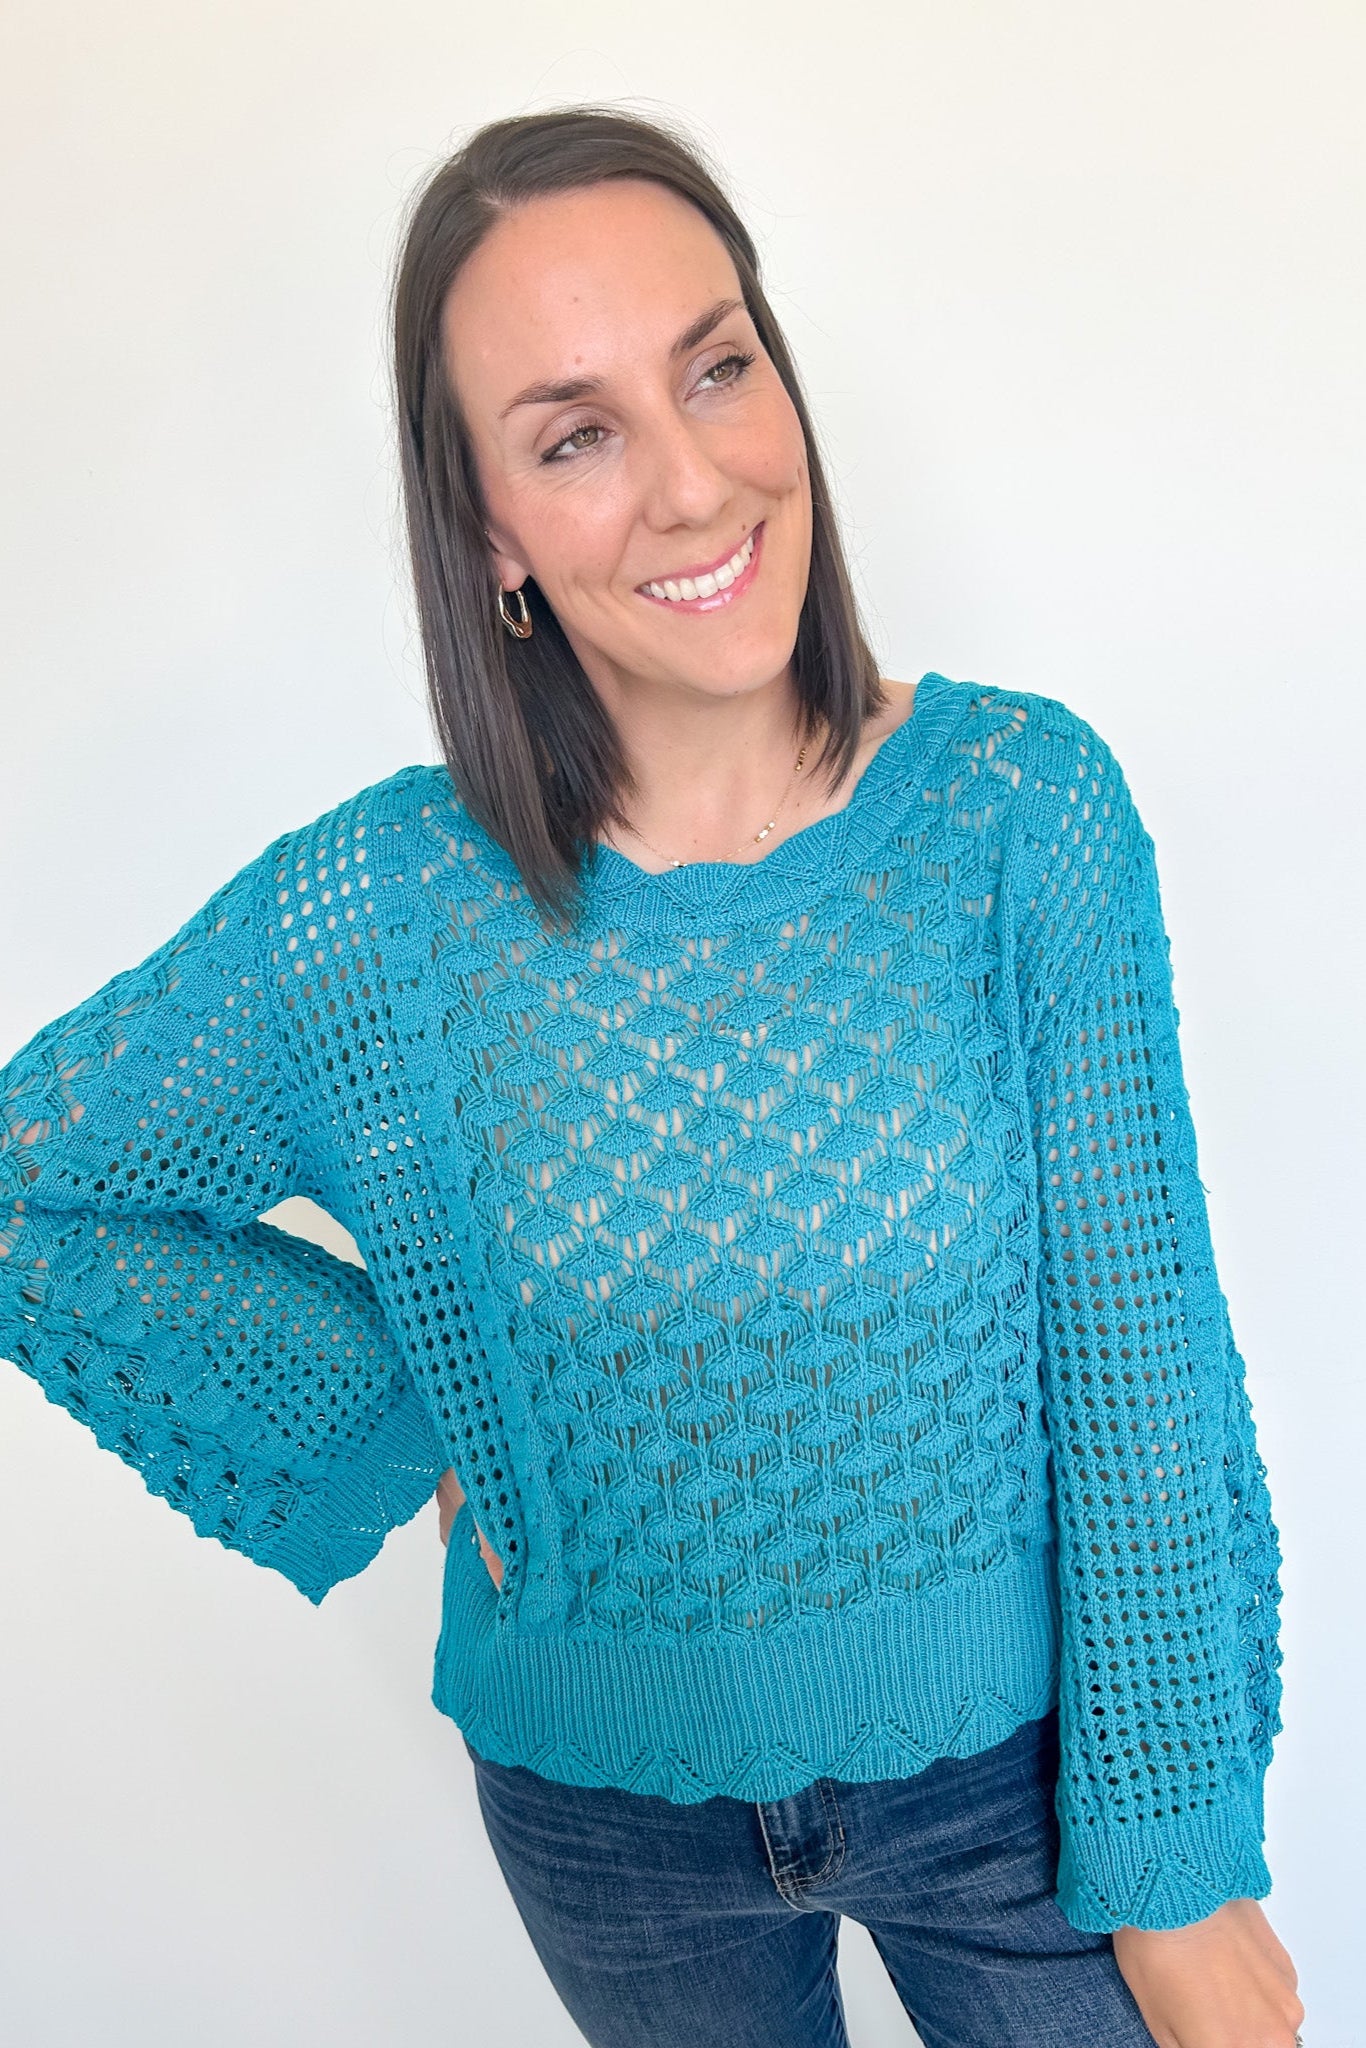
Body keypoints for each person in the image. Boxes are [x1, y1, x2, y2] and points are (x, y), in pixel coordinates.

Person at [0, 104, 1303, 2048]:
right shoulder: (373, 916)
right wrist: (418, 1403)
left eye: (715, 367)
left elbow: (1140, 1369)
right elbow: (39, 1169)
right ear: (488, 533)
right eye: (574, 433)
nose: (693, 483)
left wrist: (1180, 1855)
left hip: (1020, 1802)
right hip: (607, 1829)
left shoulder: (1020, 817)